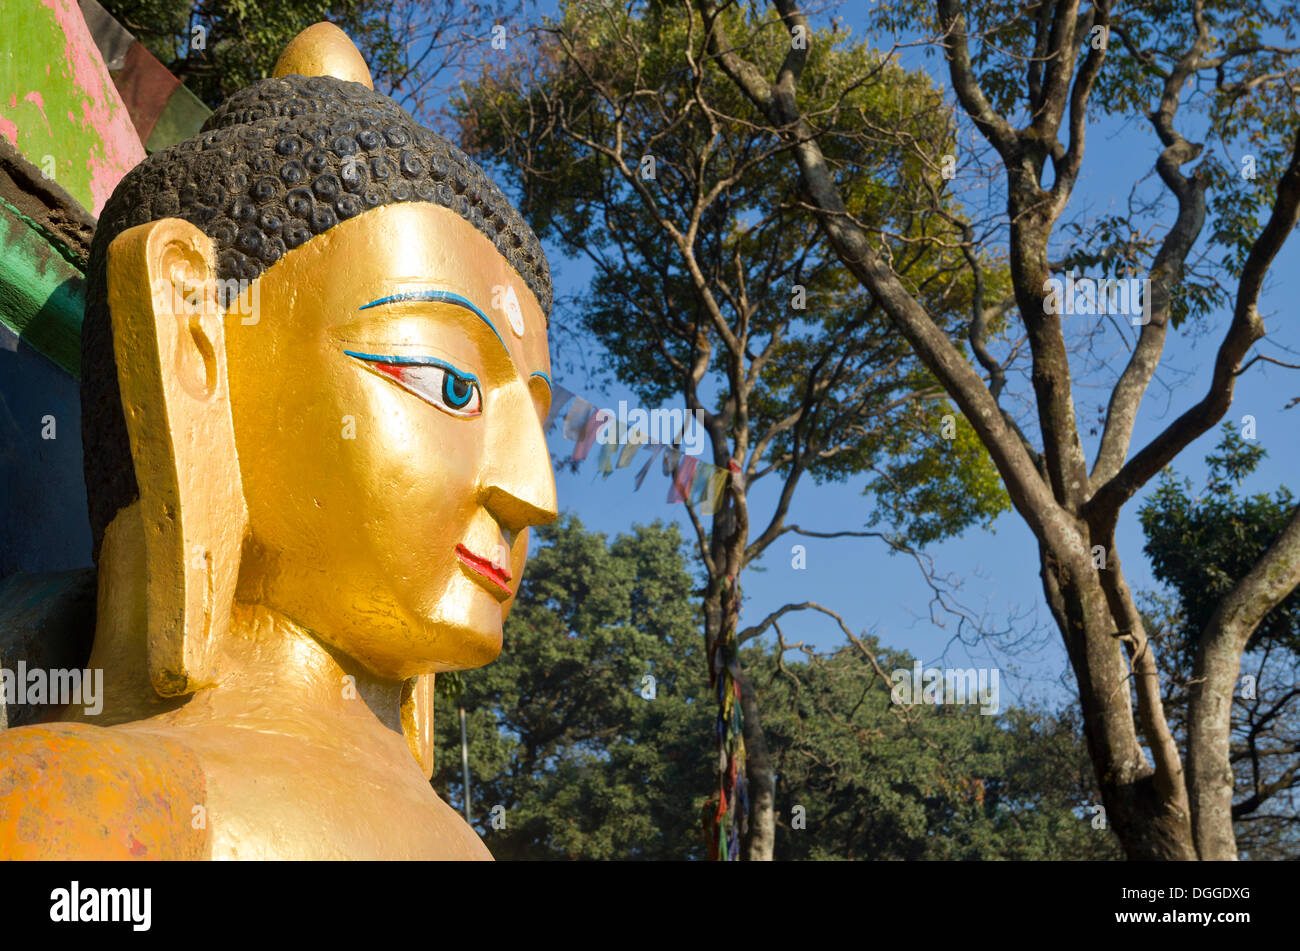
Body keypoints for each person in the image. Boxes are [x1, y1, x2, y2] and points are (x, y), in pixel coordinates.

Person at [0, 23, 557, 859]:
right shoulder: (85, 810)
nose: (534, 493)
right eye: (449, 386)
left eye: (539, 426)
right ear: (195, 353)